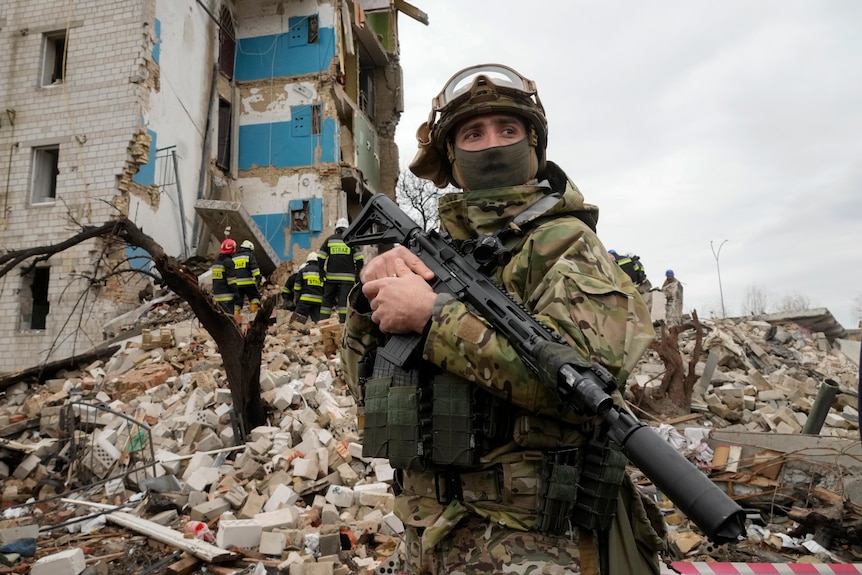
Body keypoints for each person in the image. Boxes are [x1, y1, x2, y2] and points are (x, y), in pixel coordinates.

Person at [342, 64, 666, 575]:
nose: (491, 144)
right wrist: (369, 302)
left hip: (528, 543)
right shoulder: (437, 252)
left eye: (507, 130)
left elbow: (586, 390)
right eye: (473, 133)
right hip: (427, 530)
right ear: (450, 154)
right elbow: (367, 387)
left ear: (534, 144)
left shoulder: (566, 245)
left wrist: (434, 320)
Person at [318, 218, 364, 323]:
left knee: (327, 300)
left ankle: (322, 321)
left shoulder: (329, 240)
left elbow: (321, 257)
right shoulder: (351, 241)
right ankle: (343, 323)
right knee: (344, 302)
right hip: (347, 278)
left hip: (331, 277)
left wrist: (321, 271)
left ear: (336, 228)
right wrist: (358, 275)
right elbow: (359, 260)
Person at [212, 239, 240, 322]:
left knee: (221, 321)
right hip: (227, 297)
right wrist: (236, 293)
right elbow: (231, 280)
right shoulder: (228, 262)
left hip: (218, 297)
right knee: (229, 320)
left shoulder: (216, 262)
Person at [293, 251, 325, 322]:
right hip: (318, 301)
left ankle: (295, 332)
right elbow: (326, 288)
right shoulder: (322, 272)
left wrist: (296, 297)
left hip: (305, 300)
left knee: (297, 321)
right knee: (318, 322)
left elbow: (297, 286)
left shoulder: (303, 271)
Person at [233, 240, 262, 313]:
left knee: (237, 302)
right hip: (248, 282)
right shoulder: (249, 256)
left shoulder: (234, 257)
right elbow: (254, 268)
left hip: (236, 284)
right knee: (254, 297)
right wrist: (258, 278)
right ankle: (254, 315)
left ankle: (236, 319)